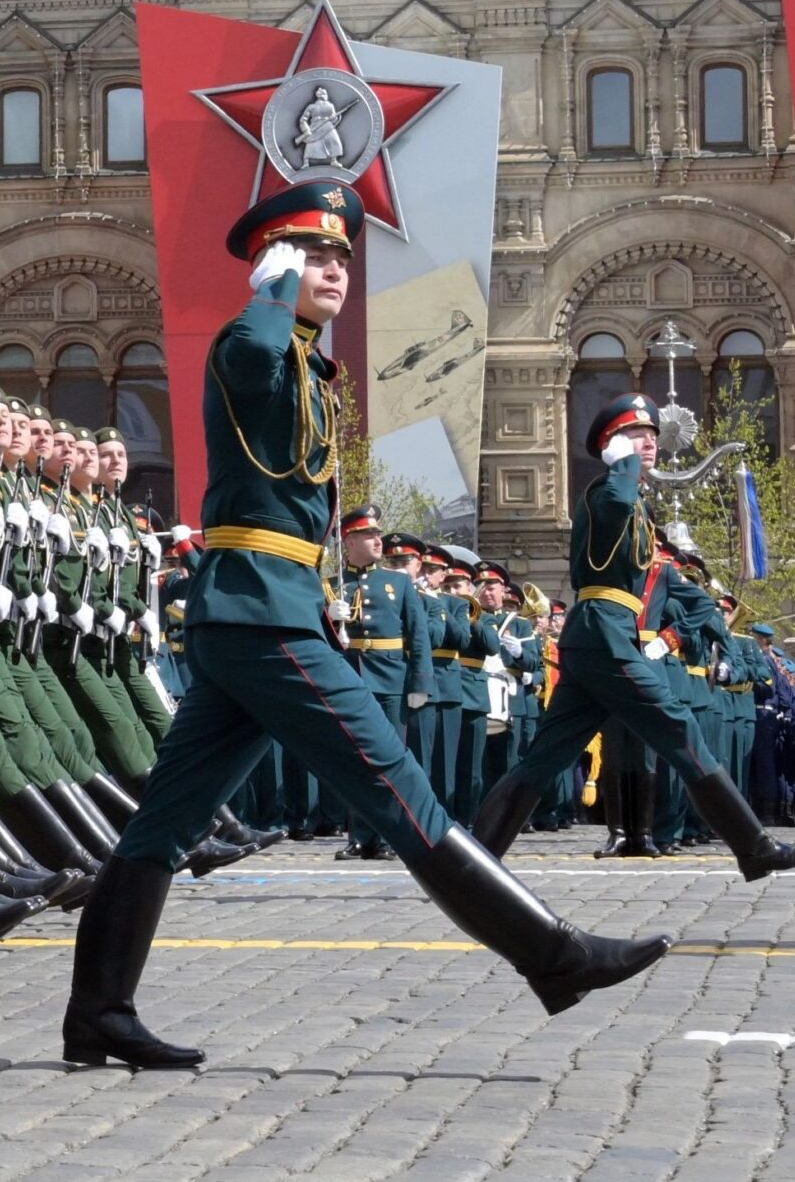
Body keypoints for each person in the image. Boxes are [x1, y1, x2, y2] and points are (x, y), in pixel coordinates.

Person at [60, 180, 668, 1069]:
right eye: (313, 254)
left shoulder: (305, 357)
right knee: (398, 790)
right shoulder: (250, 340)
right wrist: (268, 295)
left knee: (165, 823)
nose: (335, 268)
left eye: (342, 255)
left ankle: (97, 1013)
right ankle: (553, 954)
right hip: (266, 618)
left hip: (262, 611)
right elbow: (259, 390)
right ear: (272, 264)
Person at [474, 394, 795, 882]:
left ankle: (475, 860)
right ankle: (754, 847)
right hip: (606, 632)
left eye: (652, 438)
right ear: (612, 446)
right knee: (679, 728)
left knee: (547, 753)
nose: (649, 445)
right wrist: (624, 464)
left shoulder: (633, 503)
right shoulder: (604, 491)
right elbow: (615, 503)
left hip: (600, 637)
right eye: (637, 436)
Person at [333, 513, 432, 860]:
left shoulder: (399, 582)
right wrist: (329, 618)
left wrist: (420, 681)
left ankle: (390, 835)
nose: (379, 541)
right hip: (351, 677)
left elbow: (417, 635)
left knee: (389, 759)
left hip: (391, 678)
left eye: (378, 534)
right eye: (368, 535)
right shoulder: (333, 584)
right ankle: (359, 835)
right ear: (348, 541)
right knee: (355, 761)